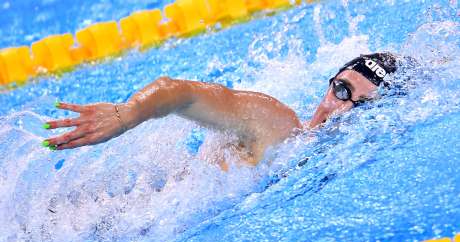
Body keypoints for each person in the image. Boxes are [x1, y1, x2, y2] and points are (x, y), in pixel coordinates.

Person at [42, 52, 401, 169]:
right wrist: (128, 113)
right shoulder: (278, 125)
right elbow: (177, 92)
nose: (340, 111)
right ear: (329, 84)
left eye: (362, 107)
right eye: (341, 90)